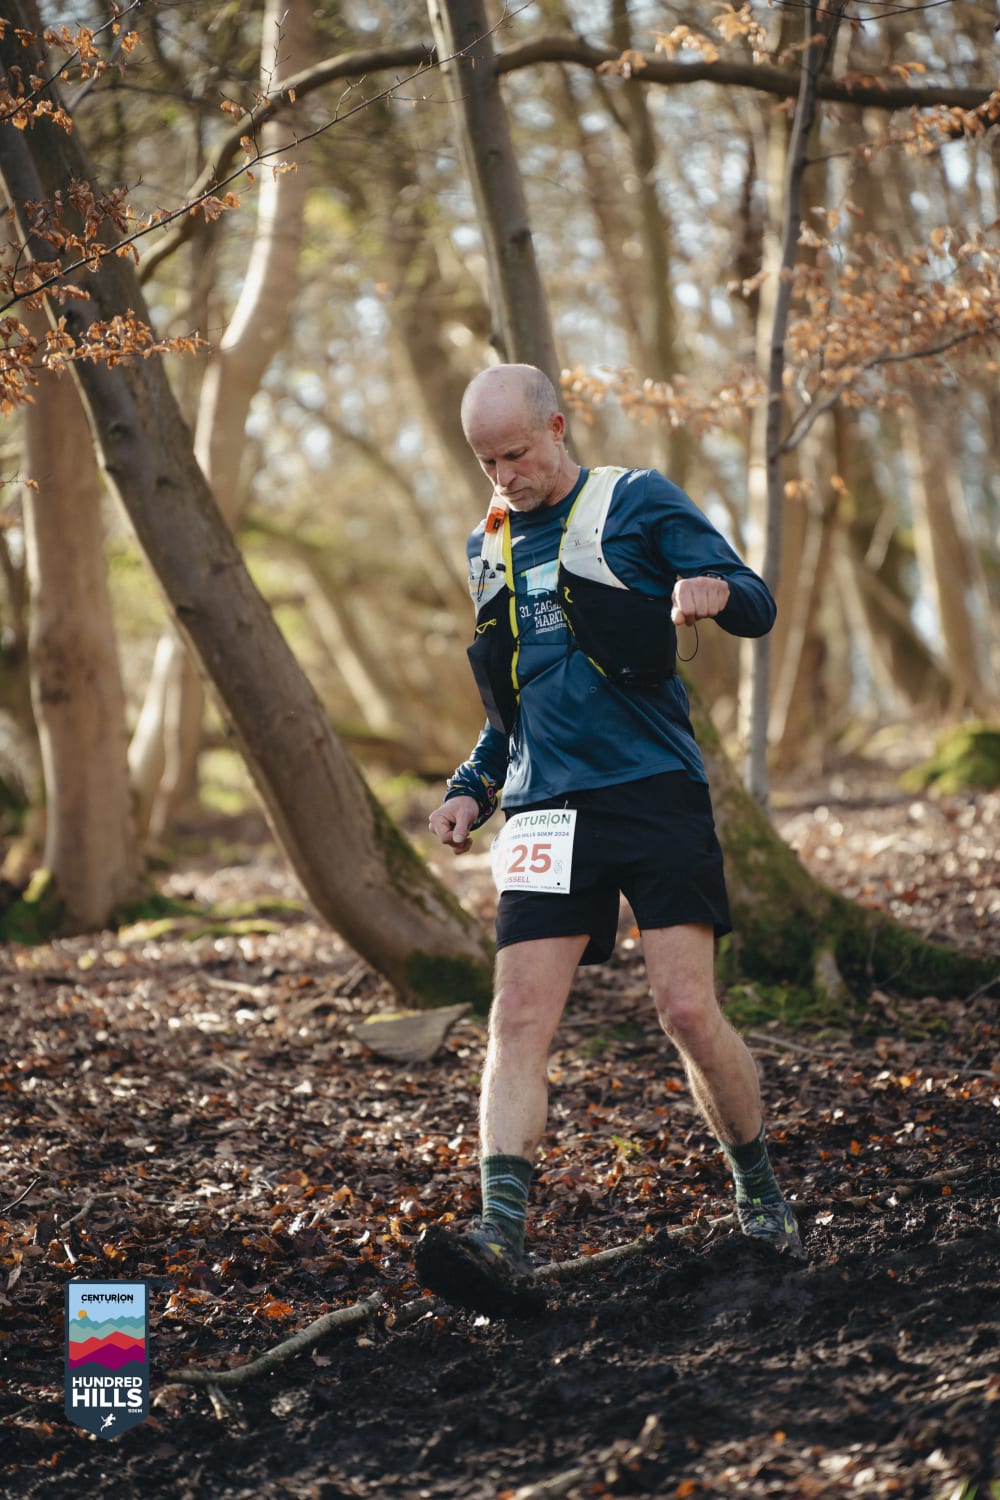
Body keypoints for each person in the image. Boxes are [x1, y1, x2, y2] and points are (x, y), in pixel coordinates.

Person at [414, 363, 802, 1316]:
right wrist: (473, 787)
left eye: (516, 453)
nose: (504, 476)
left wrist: (712, 590)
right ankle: (500, 1238)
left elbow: (755, 600)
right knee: (515, 1017)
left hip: (653, 792)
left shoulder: (635, 501)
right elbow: (512, 704)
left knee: (686, 1011)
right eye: (487, 462)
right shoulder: (487, 547)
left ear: (557, 427)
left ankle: (759, 1193)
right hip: (544, 811)